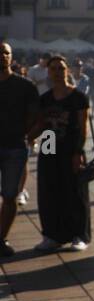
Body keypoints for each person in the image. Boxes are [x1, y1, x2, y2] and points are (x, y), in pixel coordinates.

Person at [29, 54, 92, 253]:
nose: (57, 72)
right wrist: (26, 137)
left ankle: (79, 235)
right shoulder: (45, 99)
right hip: (49, 145)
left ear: (68, 71)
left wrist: (78, 152)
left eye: (61, 68)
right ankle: (53, 235)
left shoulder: (78, 97)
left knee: (75, 193)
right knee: (49, 192)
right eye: (54, 69)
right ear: (48, 72)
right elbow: (40, 125)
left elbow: (83, 128)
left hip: (70, 147)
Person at [0, 42, 40, 257]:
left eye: (5, 53)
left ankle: (1, 238)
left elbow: (35, 116)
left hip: (15, 147)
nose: (2, 56)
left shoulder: (25, 86)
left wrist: (28, 136)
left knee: (9, 196)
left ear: (11, 57)